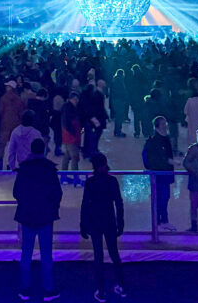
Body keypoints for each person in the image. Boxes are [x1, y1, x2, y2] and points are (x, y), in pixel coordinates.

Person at [13, 137, 62, 302]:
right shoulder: (50, 168)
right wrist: (52, 207)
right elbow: (57, 192)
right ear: (44, 150)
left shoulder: (24, 168)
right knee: (46, 254)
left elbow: (16, 192)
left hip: (27, 215)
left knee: (26, 253)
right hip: (45, 216)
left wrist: (25, 203)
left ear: (31, 150)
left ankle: (24, 289)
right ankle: (48, 289)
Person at [80, 152, 127, 302]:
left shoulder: (90, 182)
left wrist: (83, 224)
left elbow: (85, 204)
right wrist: (120, 222)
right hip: (109, 221)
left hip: (95, 222)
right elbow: (118, 203)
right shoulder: (112, 181)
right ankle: (122, 285)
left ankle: (101, 290)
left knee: (98, 255)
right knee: (114, 253)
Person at [143, 115, 177, 232]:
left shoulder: (164, 139)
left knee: (164, 197)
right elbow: (158, 158)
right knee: (161, 198)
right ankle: (159, 221)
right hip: (159, 174)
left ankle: (162, 221)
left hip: (164, 174)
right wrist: (170, 161)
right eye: (163, 124)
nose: (165, 126)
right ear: (157, 126)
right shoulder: (155, 141)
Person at [0, 81, 25, 170]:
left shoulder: (3, 98)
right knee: (14, 145)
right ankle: (10, 164)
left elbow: (0, 111)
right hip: (16, 124)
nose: (6, 88)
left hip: (5, 124)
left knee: (2, 145)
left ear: (11, 88)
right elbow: (21, 112)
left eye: (8, 86)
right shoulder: (18, 99)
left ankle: (0, 164)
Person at [60, 92, 82, 174]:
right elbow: (67, 124)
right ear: (70, 99)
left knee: (67, 156)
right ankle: (76, 177)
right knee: (74, 157)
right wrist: (75, 134)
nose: (76, 101)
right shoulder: (68, 109)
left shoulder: (71, 108)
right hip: (71, 137)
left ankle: (64, 175)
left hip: (70, 136)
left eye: (77, 99)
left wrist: (81, 131)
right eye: (74, 99)